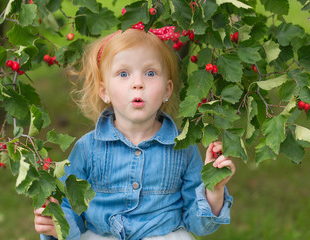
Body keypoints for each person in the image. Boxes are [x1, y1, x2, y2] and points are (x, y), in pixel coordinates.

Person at [34, 28, 236, 240]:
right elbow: (70, 210)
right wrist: (55, 222)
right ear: (105, 91)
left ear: (167, 90)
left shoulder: (183, 147)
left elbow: (198, 224)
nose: (137, 83)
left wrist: (214, 192)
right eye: (123, 74)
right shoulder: (87, 149)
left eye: (150, 73)